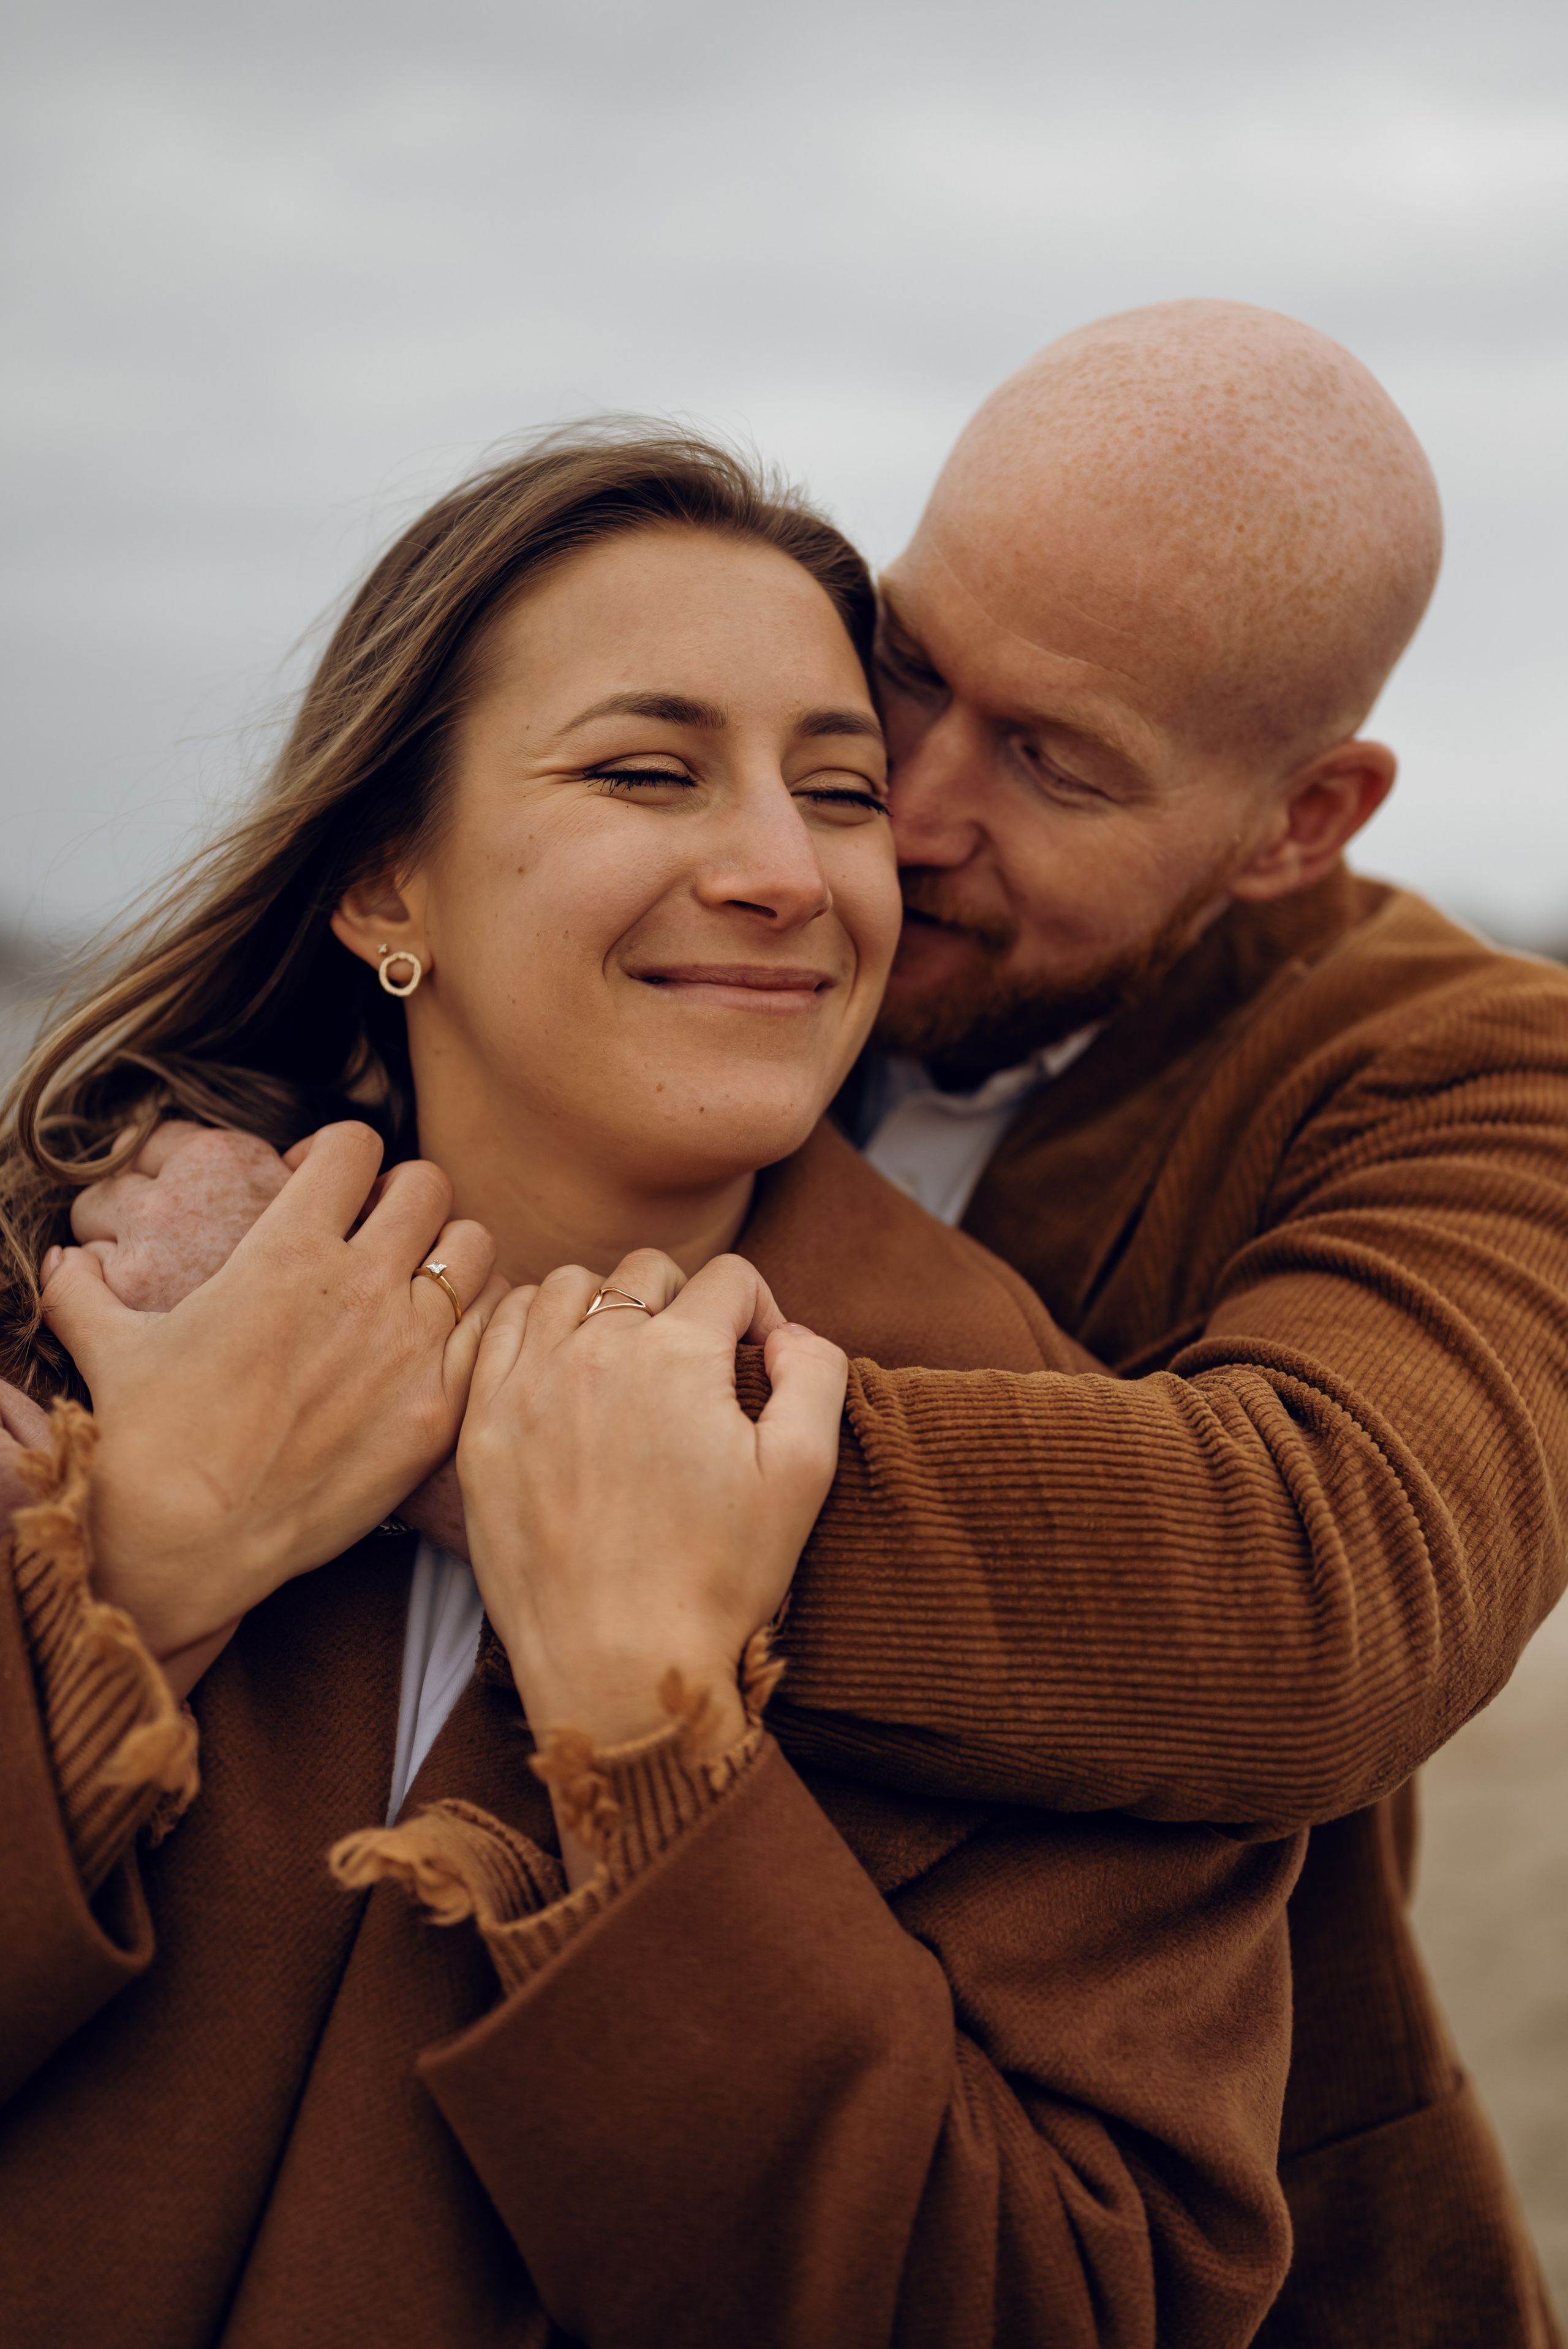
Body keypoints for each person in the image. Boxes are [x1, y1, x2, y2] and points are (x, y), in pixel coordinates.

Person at [72, 304, 1568, 2347]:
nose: (897, 822)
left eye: (1053, 762)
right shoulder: (202, 1210)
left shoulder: (1475, 1077)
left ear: (1301, 819)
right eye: (909, 680)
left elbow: (1322, 1582)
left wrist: (400, 1374)